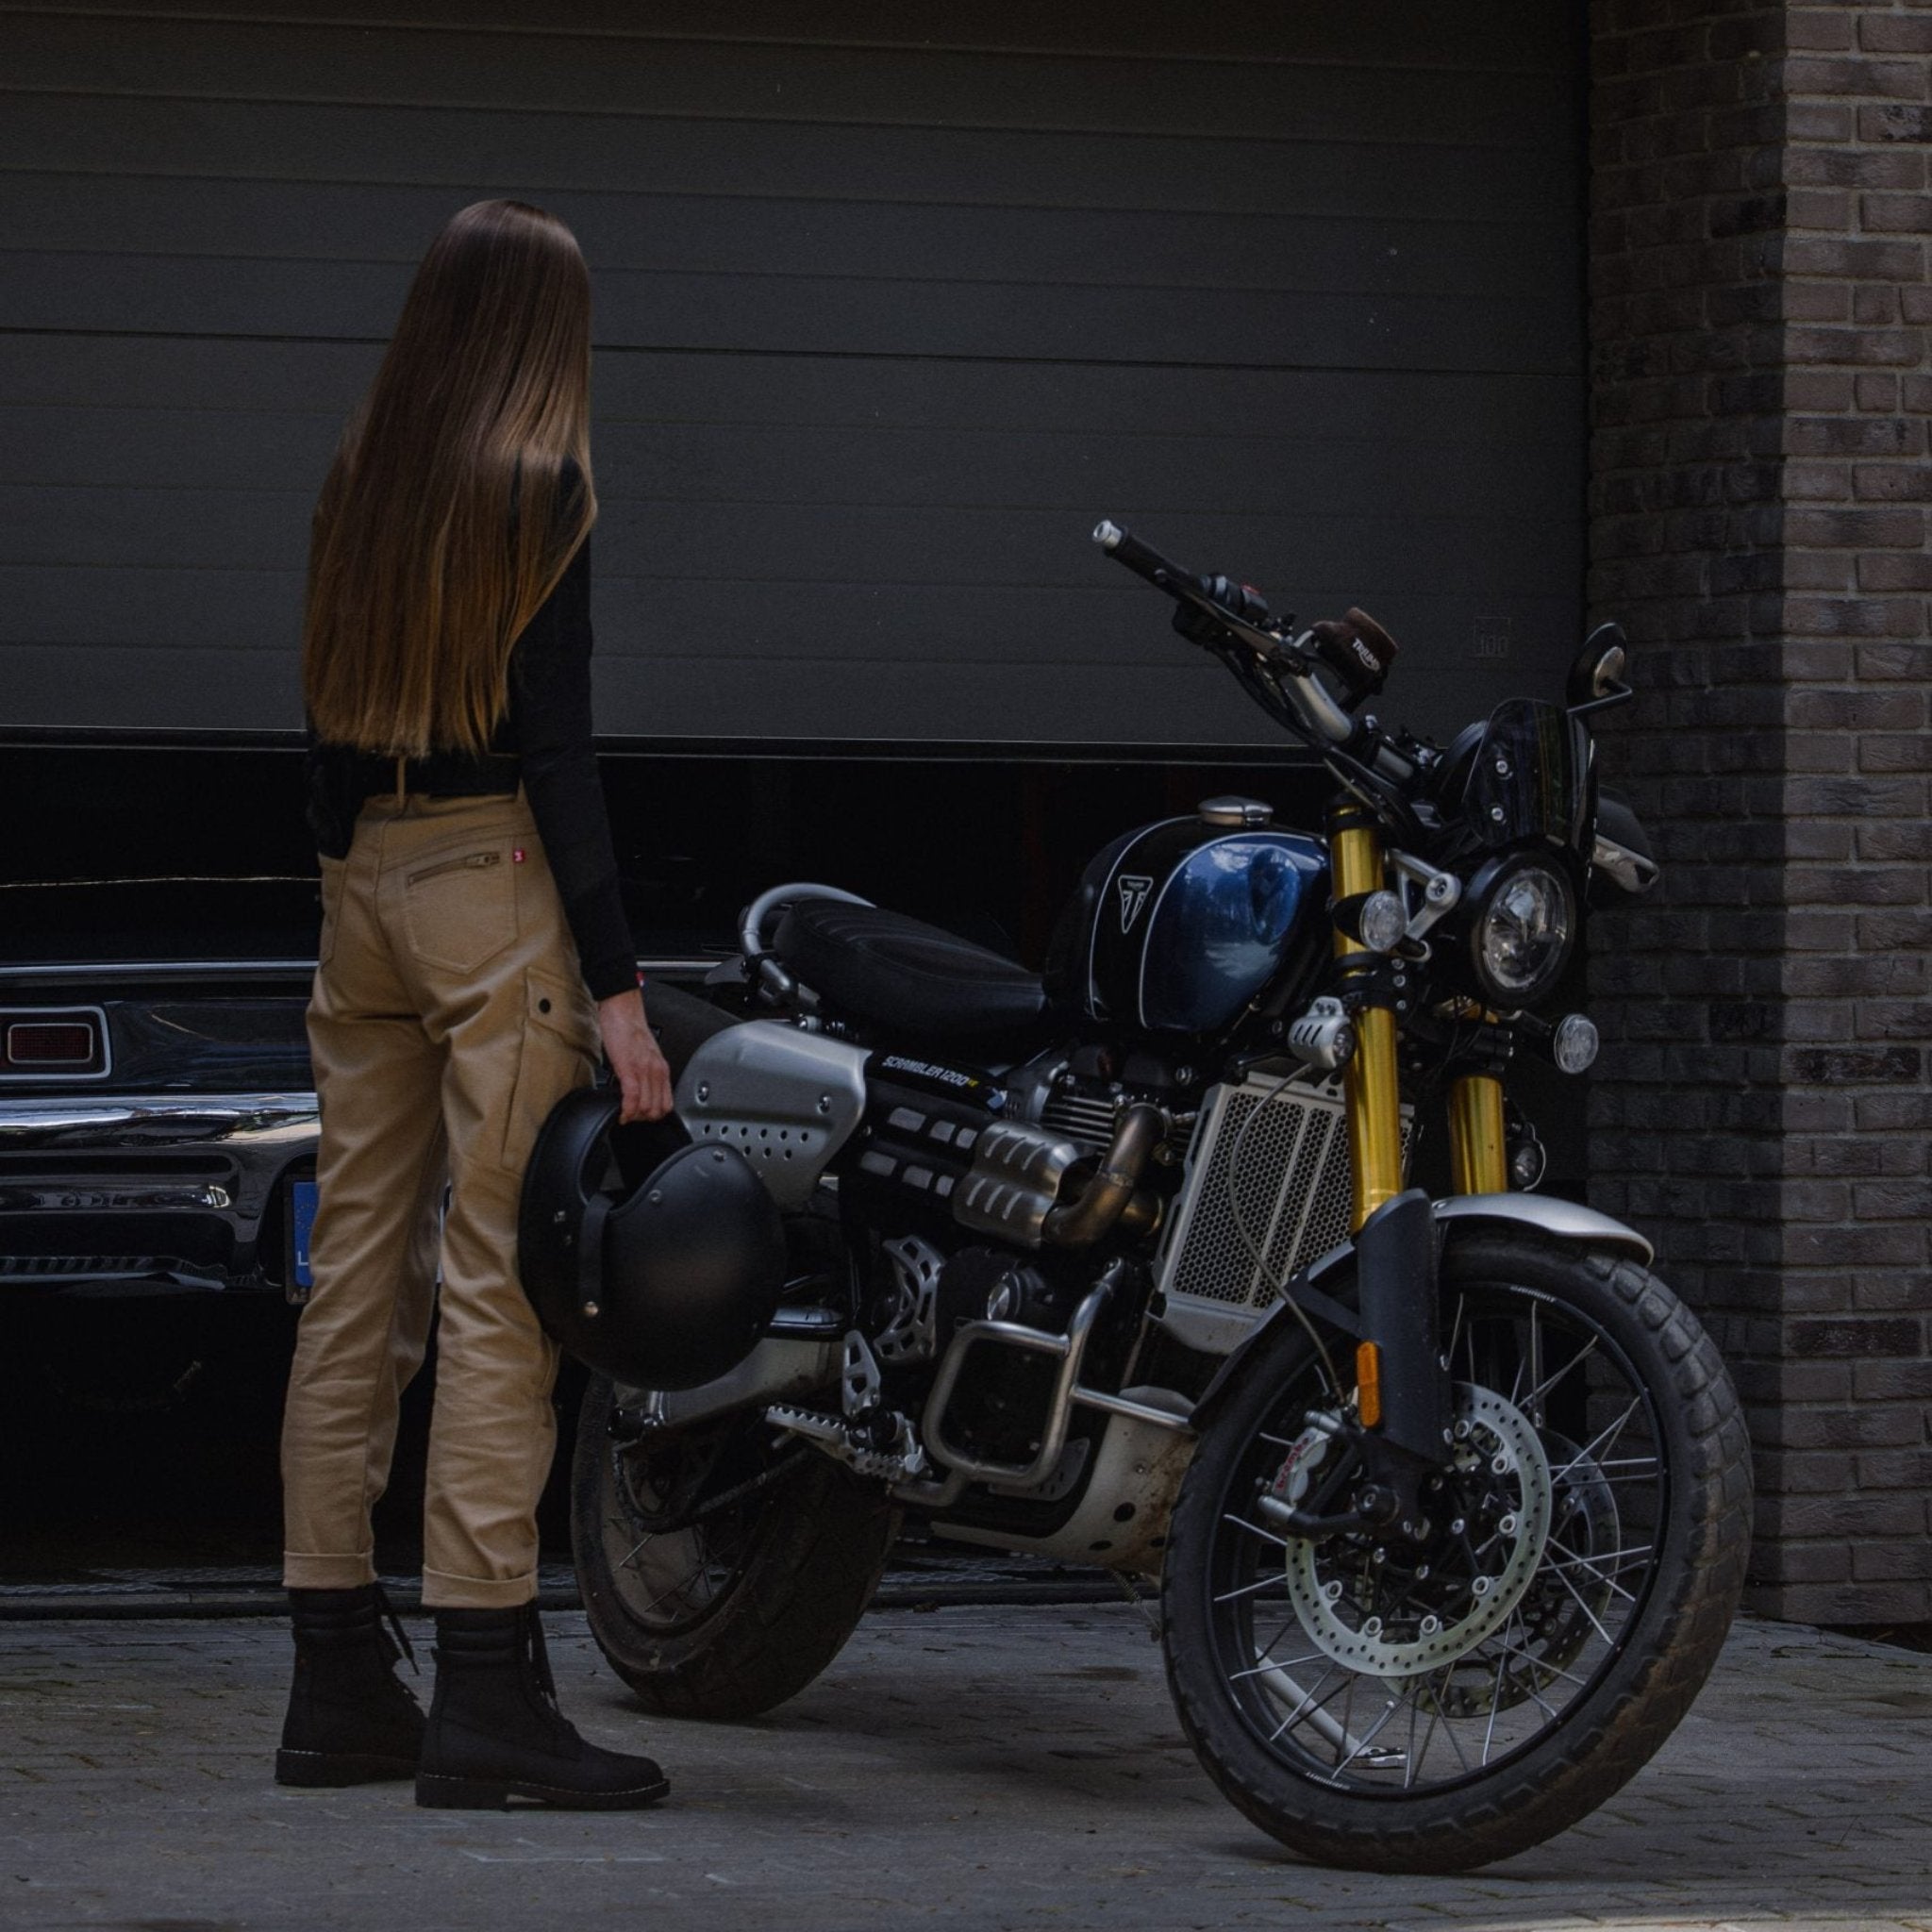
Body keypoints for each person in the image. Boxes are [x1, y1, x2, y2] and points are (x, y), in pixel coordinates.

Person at [276, 198, 675, 1811]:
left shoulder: (360, 475)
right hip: (491, 884)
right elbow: (561, 757)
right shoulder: (543, 487)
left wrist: (346, 878)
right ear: (537, 333)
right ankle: (490, 1692)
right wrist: (625, 991)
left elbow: (315, 714)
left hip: (358, 882)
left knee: (354, 1284)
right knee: (506, 1287)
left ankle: (333, 1687)